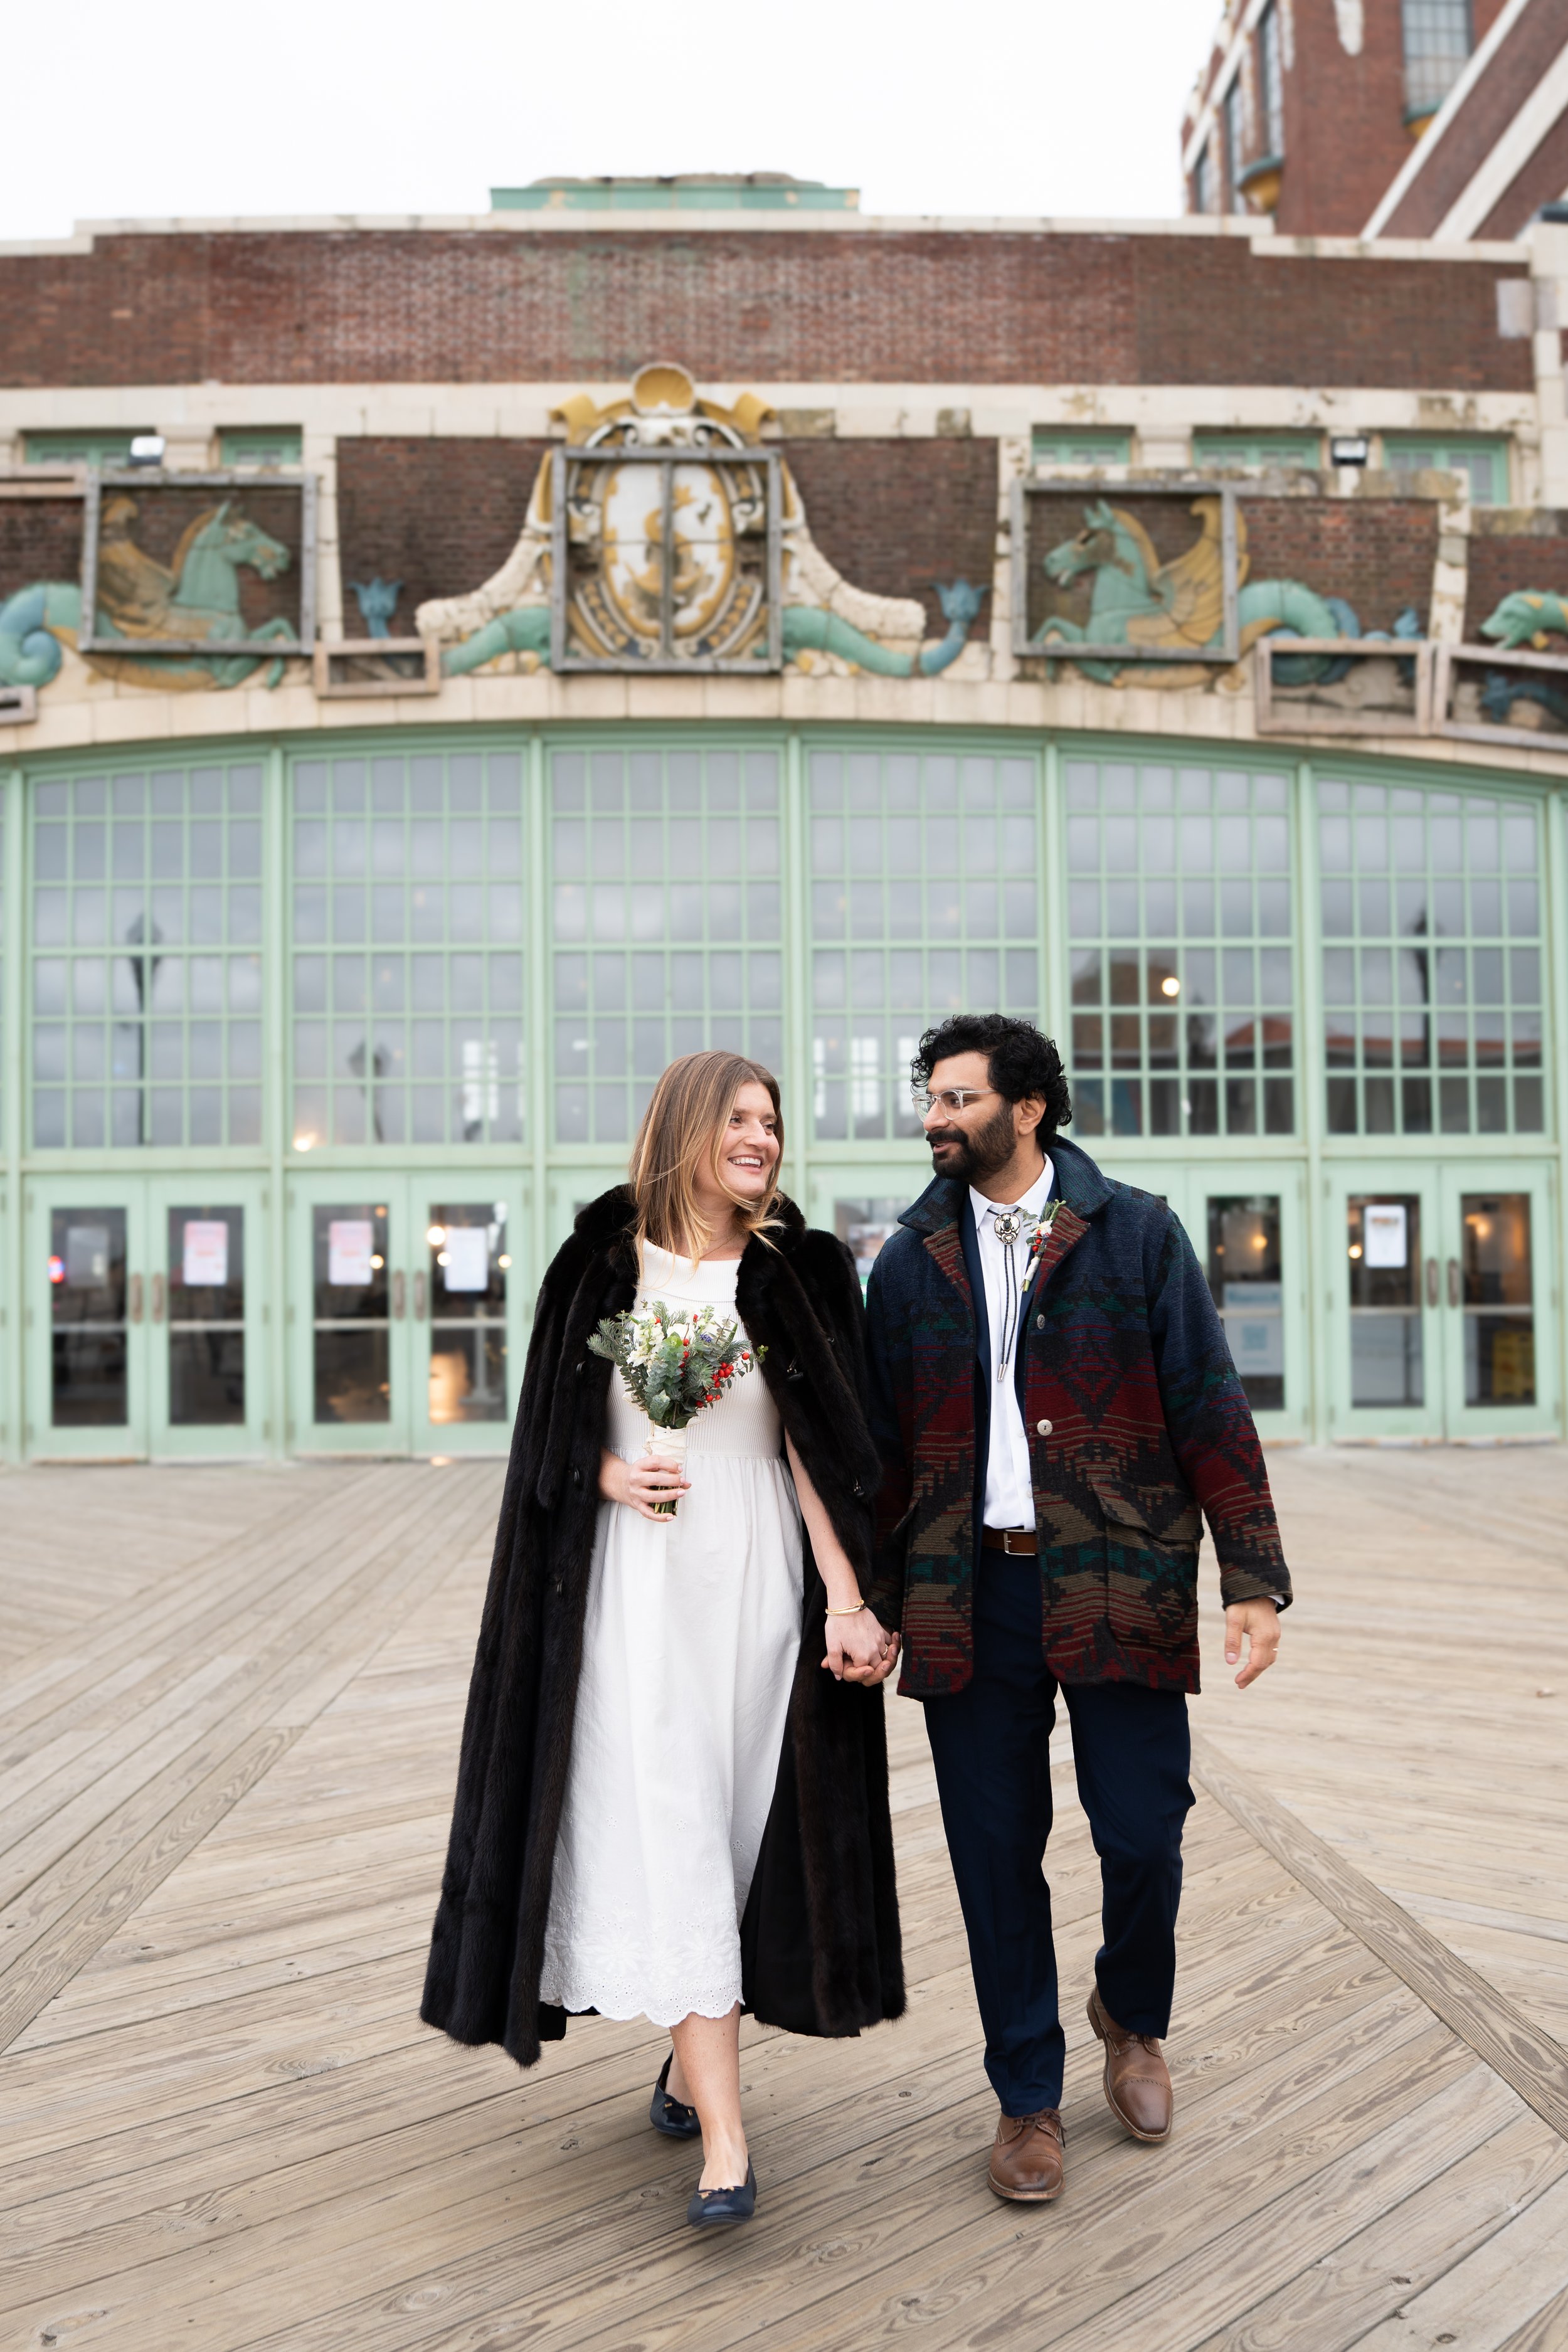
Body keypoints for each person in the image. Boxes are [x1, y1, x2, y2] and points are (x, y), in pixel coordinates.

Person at [421, 1051, 904, 2229]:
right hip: (634, 1588)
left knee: (742, 1832)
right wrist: (609, 1472)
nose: (761, 1137)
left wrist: (848, 1595)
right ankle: (728, 2143)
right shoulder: (600, 1262)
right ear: (685, 1126)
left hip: (757, 1582)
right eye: (738, 1117)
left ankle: (692, 2065)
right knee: (678, 1823)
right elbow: (544, 1437)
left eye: (771, 1121)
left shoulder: (799, 1268)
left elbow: (816, 1449)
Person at [862, 1013, 1290, 2205]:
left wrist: (1251, 1577)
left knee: (1144, 1831)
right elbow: (880, 1452)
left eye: (957, 1099)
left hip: (1120, 1572)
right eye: (930, 1099)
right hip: (967, 1591)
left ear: (1028, 1107)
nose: (936, 1119)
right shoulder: (908, 1260)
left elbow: (1210, 1401)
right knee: (994, 1852)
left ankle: (1132, 2015)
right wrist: (869, 1600)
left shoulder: (1136, 1231)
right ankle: (1027, 2097)